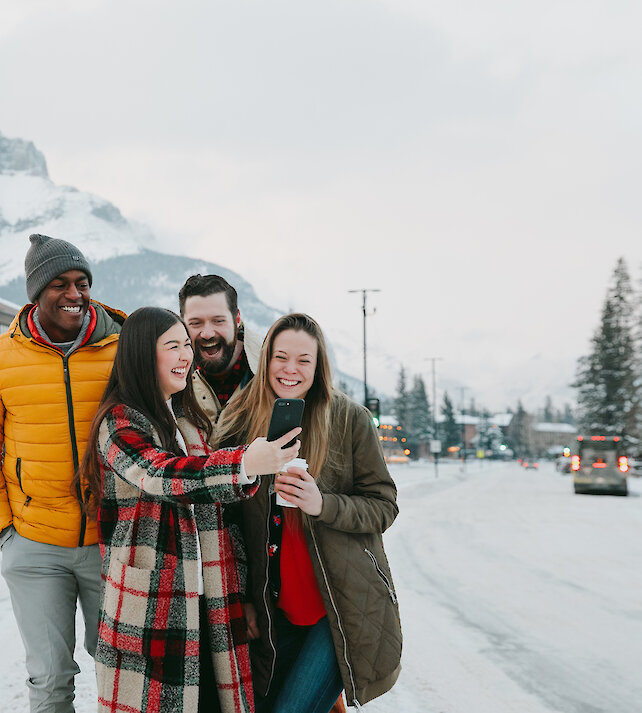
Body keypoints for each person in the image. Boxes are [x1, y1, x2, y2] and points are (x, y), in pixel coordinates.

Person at [79, 306, 302, 713]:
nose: (186, 355)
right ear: (143, 356)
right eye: (173, 346)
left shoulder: (189, 422)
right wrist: (245, 464)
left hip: (211, 600)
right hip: (151, 602)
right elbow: (160, 476)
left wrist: (243, 597)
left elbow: (218, 515)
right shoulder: (119, 422)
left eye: (187, 346)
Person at [216, 313, 402, 713]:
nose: (290, 369)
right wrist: (245, 598)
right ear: (265, 359)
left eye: (304, 360)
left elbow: (384, 505)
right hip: (274, 610)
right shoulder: (241, 418)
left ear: (319, 368)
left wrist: (323, 505)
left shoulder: (348, 418)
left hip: (339, 608)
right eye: (281, 357)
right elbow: (225, 520)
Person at [0, 233, 125, 712]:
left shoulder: (121, 347)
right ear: (35, 293)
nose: (75, 293)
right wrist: (6, 530)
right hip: (33, 544)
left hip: (109, 542)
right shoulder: (6, 356)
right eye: (60, 284)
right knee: (49, 680)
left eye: (82, 282)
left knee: (120, 669)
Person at [179, 273, 262, 431]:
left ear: (236, 320)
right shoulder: (168, 378)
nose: (207, 333)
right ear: (182, 324)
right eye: (196, 323)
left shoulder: (273, 368)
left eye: (218, 321)